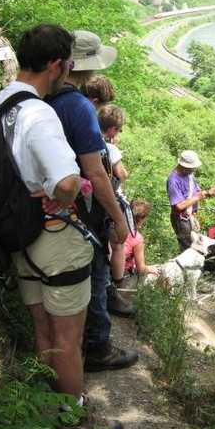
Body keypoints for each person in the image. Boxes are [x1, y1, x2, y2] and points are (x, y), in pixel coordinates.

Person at [0, 23, 122, 429]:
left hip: (18, 237)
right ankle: (75, 420)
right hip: (54, 239)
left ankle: (48, 407)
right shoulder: (39, 113)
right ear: (54, 65)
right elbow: (69, 182)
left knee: (41, 328)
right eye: (67, 63)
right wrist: (62, 196)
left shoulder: (0, 104)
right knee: (67, 336)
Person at [47, 29, 139, 372]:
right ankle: (98, 345)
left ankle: (76, 348)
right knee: (97, 274)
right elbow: (97, 173)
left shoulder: (44, 99)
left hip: (52, 204)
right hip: (82, 209)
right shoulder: (79, 107)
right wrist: (117, 218)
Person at [97, 104, 129, 294]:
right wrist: (115, 149)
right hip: (110, 200)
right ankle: (117, 281)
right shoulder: (110, 147)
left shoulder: (88, 138)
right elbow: (122, 175)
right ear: (112, 130)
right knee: (117, 243)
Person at [166, 150, 215, 251]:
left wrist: (208, 193)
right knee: (189, 248)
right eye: (192, 168)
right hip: (181, 220)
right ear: (184, 166)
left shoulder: (190, 175)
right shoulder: (173, 181)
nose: (194, 170)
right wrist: (197, 197)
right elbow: (178, 206)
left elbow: (195, 192)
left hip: (191, 216)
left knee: (197, 244)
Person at [122, 198, 161, 288]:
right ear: (140, 220)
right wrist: (151, 268)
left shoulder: (116, 228)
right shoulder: (136, 238)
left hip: (108, 273)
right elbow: (141, 269)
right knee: (147, 277)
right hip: (124, 276)